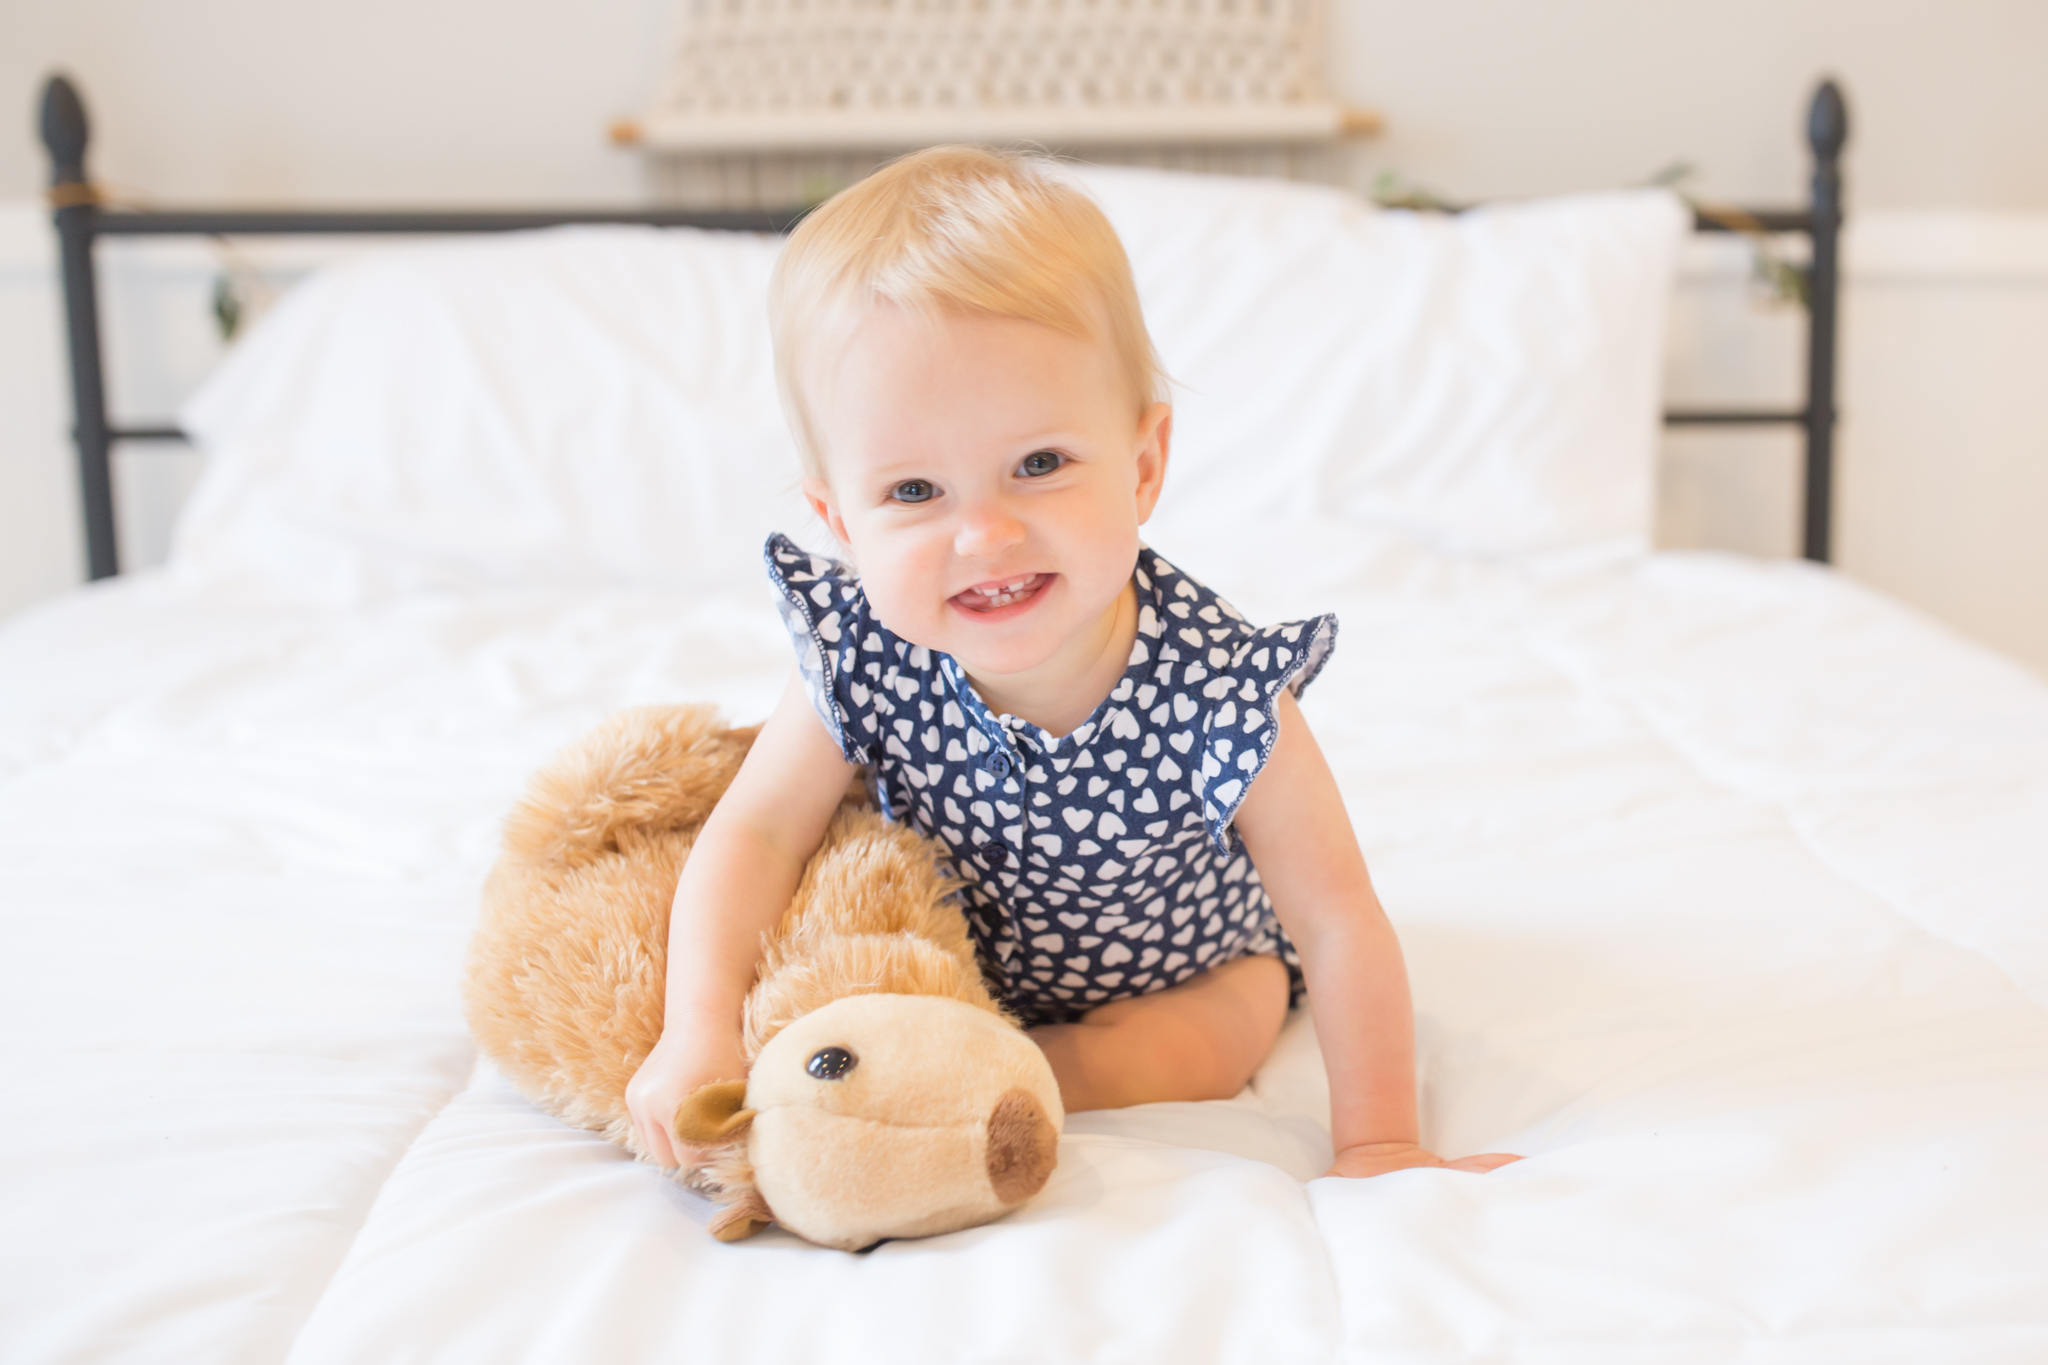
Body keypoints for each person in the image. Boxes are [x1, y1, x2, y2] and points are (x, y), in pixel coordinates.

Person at [627, 146, 1520, 1181]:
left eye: (1039, 465)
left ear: (1141, 466)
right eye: (914, 493)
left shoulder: (1216, 688)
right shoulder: (860, 651)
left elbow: (1335, 917)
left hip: (1181, 973)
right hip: (952, 965)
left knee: (1209, 1037)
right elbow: (755, 831)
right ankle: (945, 1051)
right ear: (836, 520)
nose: (984, 535)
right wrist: (695, 1028)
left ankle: (1013, 1075)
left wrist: (1379, 1140)